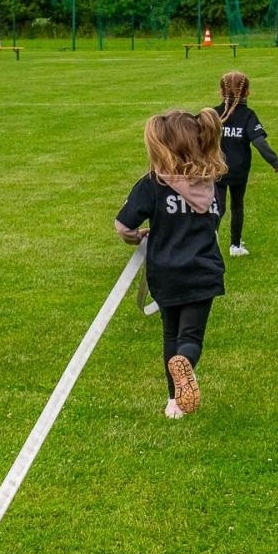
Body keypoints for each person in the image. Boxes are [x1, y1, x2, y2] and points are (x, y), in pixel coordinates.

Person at [115, 109, 227, 419]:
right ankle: (186, 362)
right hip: (202, 271)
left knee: (170, 334)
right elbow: (216, 221)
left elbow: (123, 226)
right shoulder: (211, 184)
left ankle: (174, 402)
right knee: (190, 337)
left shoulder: (152, 184)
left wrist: (136, 237)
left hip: (165, 272)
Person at [215, 70, 278, 257]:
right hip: (239, 170)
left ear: (221, 92)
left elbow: (196, 134)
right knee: (237, 206)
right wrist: (274, 161)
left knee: (217, 208)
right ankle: (235, 246)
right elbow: (259, 142)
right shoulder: (248, 115)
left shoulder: (213, 114)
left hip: (216, 169)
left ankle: (209, 242)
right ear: (247, 92)